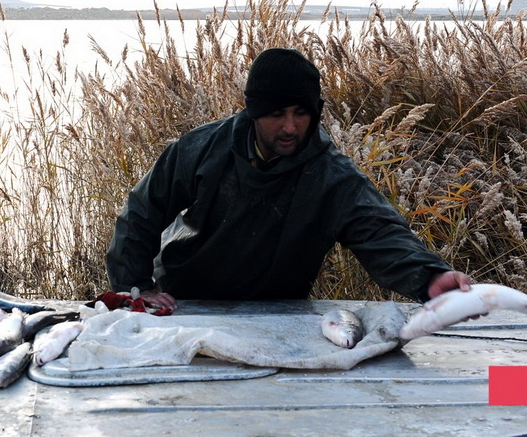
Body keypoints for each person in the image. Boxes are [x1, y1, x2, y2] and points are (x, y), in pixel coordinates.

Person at [106, 47, 472, 312]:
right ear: (253, 112)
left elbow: (380, 232)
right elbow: (142, 211)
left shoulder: (332, 177)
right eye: (276, 114)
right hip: (181, 302)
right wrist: (135, 287)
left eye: (301, 113)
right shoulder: (202, 149)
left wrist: (429, 278)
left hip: (278, 312)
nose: (290, 127)